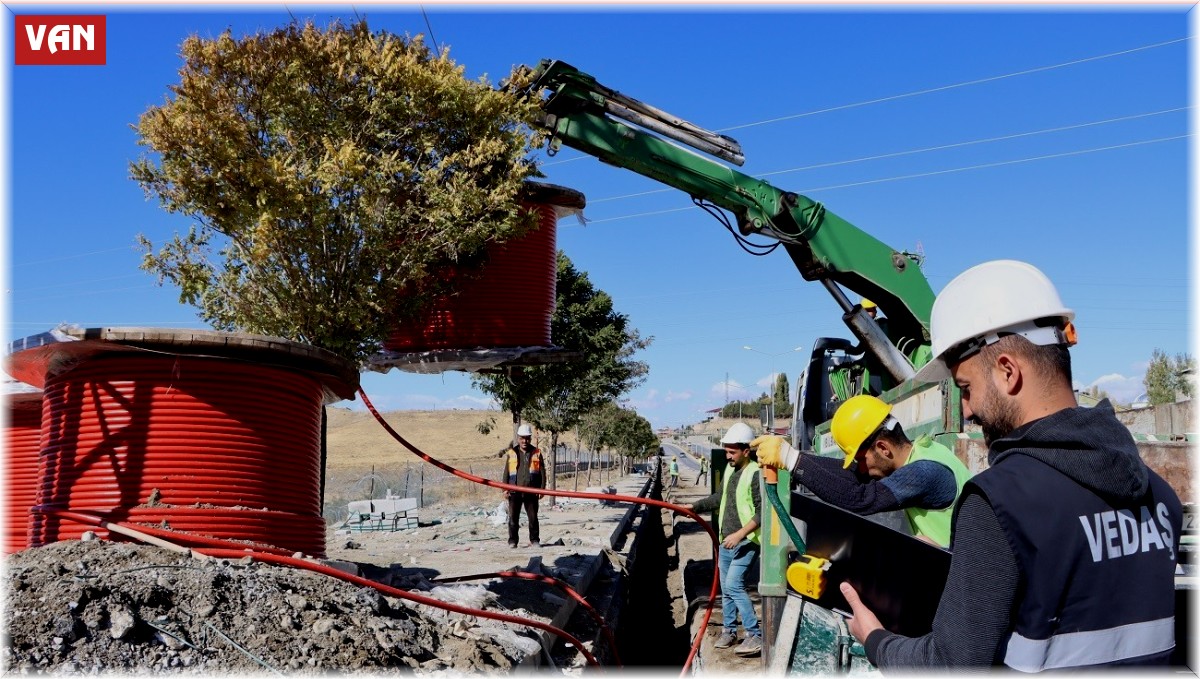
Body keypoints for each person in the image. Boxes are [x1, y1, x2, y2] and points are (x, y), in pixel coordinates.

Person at [835, 260, 1183, 670]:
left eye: (965, 389)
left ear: (1007, 372)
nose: (965, 411)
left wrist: (876, 640)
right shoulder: (1161, 496)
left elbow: (952, 666)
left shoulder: (999, 504)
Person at [753, 393, 972, 547]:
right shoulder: (922, 453)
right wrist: (794, 457)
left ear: (883, 448)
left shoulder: (924, 472)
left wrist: (791, 460)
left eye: (861, 459)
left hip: (965, 584)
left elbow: (860, 498)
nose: (863, 469)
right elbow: (854, 475)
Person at [688, 422, 764, 657]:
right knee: (726, 589)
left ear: (746, 451)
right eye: (726, 451)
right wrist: (693, 507)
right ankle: (729, 631)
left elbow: (762, 512)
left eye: (732, 452)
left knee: (733, 585)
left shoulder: (755, 473)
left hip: (747, 541)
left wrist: (740, 534)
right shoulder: (731, 470)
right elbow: (718, 498)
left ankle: (755, 635)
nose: (728, 456)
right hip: (726, 541)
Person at [501, 423, 545, 548]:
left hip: (531, 491)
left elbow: (542, 471)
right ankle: (512, 541)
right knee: (513, 518)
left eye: (527, 438)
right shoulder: (512, 453)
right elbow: (507, 471)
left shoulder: (536, 452)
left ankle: (535, 540)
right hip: (514, 491)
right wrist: (505, 489)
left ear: (530, 439)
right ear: (518, 438)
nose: (524, 441)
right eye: (522, 438)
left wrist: (542, 489)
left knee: (533, 518)